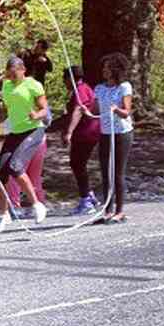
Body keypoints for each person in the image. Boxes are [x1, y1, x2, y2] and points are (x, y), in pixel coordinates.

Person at [0, 56, 49, 233]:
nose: (11, 77)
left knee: (16, 167)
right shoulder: (7, 85)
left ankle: (37, 205)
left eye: (14, 73)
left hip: (33, 130)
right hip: (15, 132)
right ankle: (4, 215)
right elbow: (7, 110)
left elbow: (44, 110)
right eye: (9, 74)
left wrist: (36, 115)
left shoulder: (33, 84)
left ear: (23, 69)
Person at [93, 52, 135, 223]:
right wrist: (85, 109)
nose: (104, 70)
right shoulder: (99, 88)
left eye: (108, 68)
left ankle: (120, 211)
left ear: (115, 70)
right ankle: (107, 210)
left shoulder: (124, 87)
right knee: (105, 172)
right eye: (104, 67)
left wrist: (115, 110)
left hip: (122, 134)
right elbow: (95, 110)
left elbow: (126, 112)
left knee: (117, 173)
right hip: (105, 133)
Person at [61, 65, 102, 215]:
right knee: (78, 164)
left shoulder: (81, 90)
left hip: (86, 133)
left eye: (64, 79)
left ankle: (86, 200)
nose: (64, 83)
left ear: (70, 79)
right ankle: (89, 195)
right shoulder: (85, 88)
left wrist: (69, 132)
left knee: (77, 163)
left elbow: (78, 110)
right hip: (88, 132)